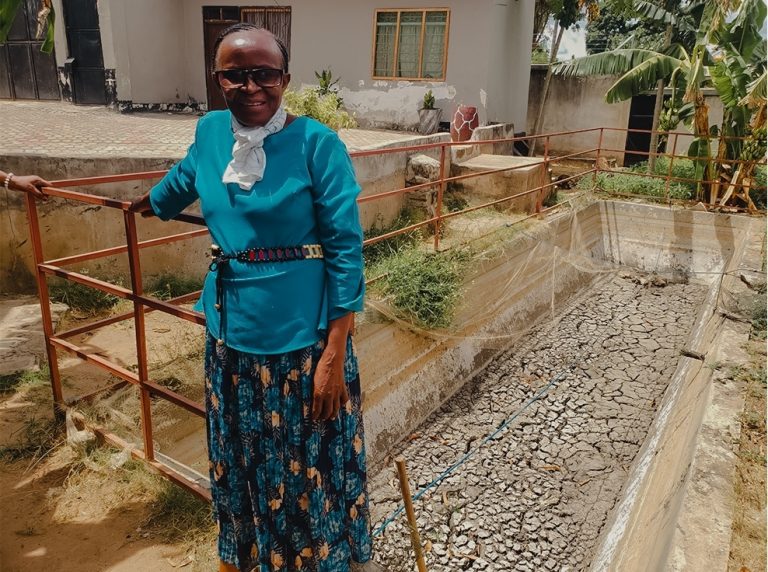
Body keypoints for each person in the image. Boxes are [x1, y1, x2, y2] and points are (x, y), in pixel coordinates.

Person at [131, 24, 381, 572]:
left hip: (302, 346)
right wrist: (143, 204)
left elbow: (345, 249)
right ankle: (248, 557)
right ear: (218, 79)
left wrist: (334, 352)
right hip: (230, 335)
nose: (251, 86)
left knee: (304, 468)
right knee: (240, 463)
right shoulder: (209, 132)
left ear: (285, 78)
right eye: (234, 74)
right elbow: (183, 181)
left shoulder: (319, 144)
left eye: (264, 72)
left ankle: (313, 560)